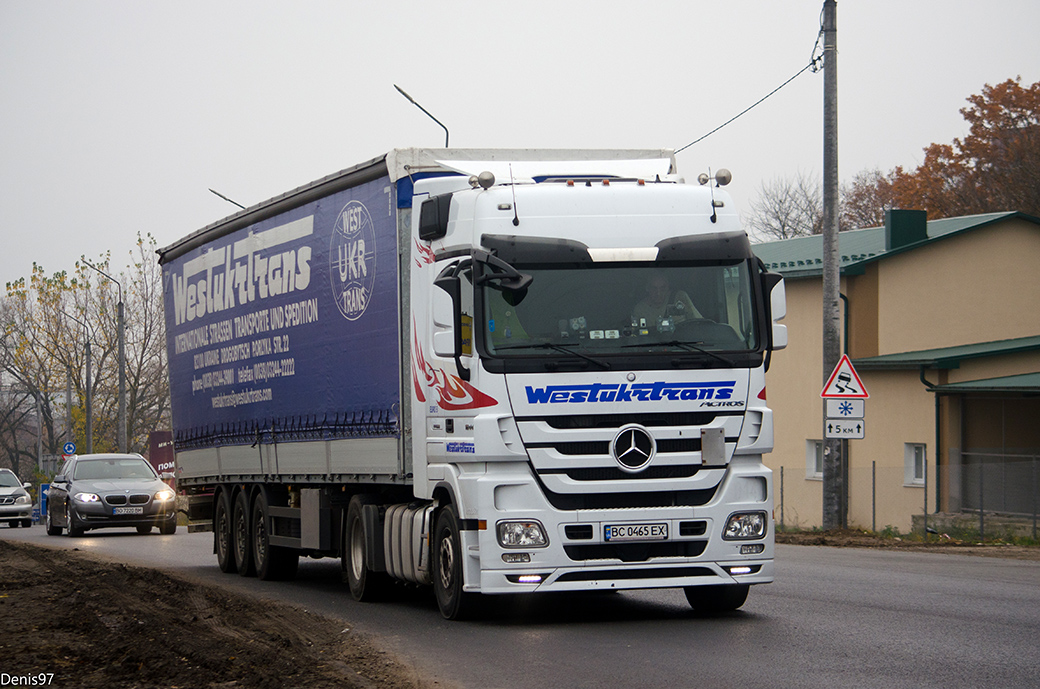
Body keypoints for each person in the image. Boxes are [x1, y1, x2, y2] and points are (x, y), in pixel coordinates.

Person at [630, 275, 702, 328]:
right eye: (654, 288)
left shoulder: (680, 298)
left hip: (683, 346)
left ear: (668, 288)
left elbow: (699, 323)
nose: (658, 293)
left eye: (662, 288)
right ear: (647, 289)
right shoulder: (640, 309)